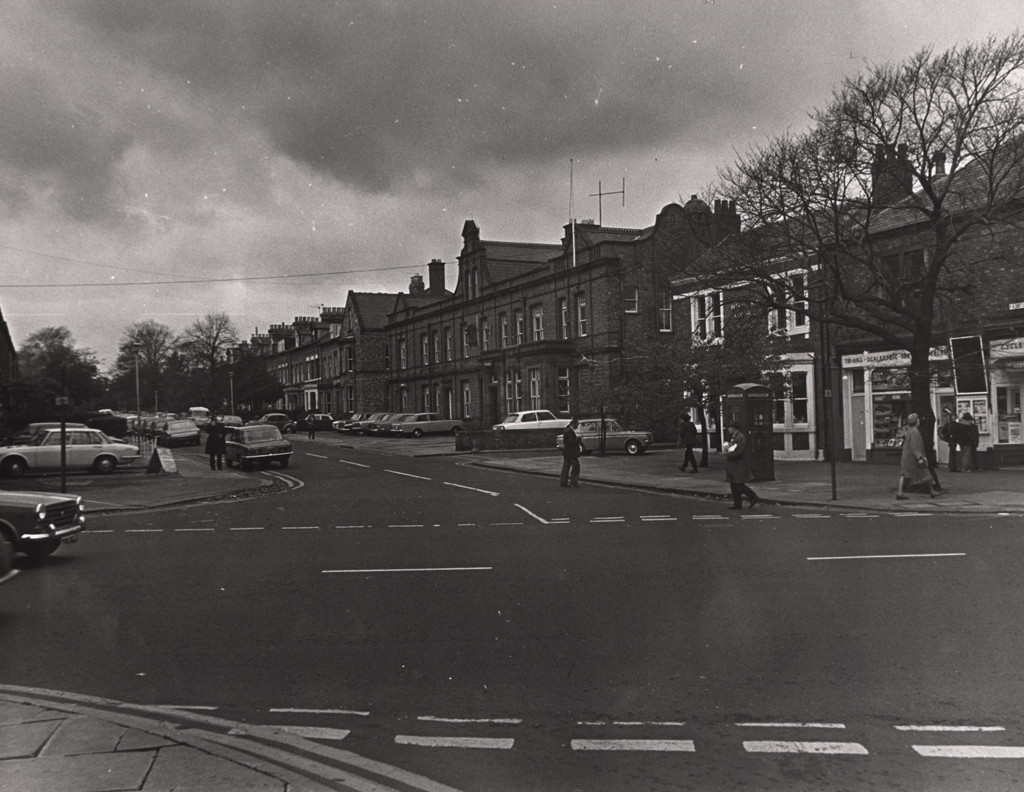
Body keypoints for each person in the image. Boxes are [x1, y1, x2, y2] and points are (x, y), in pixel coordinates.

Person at [897, 413, 935, 499]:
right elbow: (915, 446)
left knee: (905, 473)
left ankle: (900, 492)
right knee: (924, 472)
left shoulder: (909, 430)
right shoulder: (915, 432)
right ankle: (932, 491)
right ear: (917, 421)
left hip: (907, 456)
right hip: (912, 458)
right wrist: (919, 457)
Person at [724, 419, 759, 509]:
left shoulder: (740, 437)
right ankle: (737, 504)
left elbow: (739, 451)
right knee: (734, 484)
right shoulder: (735, 436)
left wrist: (728, 454)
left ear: (734, 428)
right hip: (734, 464)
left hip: (739, 464)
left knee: (738, 484)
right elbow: (733, 448)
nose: (728, 429)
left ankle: (753, 496)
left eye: (730, 428)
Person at [559, 418, 581, 487]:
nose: (577, 427)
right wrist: (578, 439)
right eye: (577, 425)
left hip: (567, 452)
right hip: (571, 452)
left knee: (566, 467)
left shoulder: (567, 430)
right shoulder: (569, 431)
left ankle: (563, 482)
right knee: (576, 467)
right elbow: (571, 442)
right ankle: (573, 482)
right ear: (573, 424)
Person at [940, 407, 959, 472]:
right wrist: (949, 435)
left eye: (955, 416)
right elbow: (943, 431)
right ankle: (952, 467)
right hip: (951, 440)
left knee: (953, 453)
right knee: (952, 453)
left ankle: (953, 466)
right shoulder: (949, 424)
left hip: (955, 439)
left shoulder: (955, 424)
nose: (954, 418)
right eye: (953, 416)